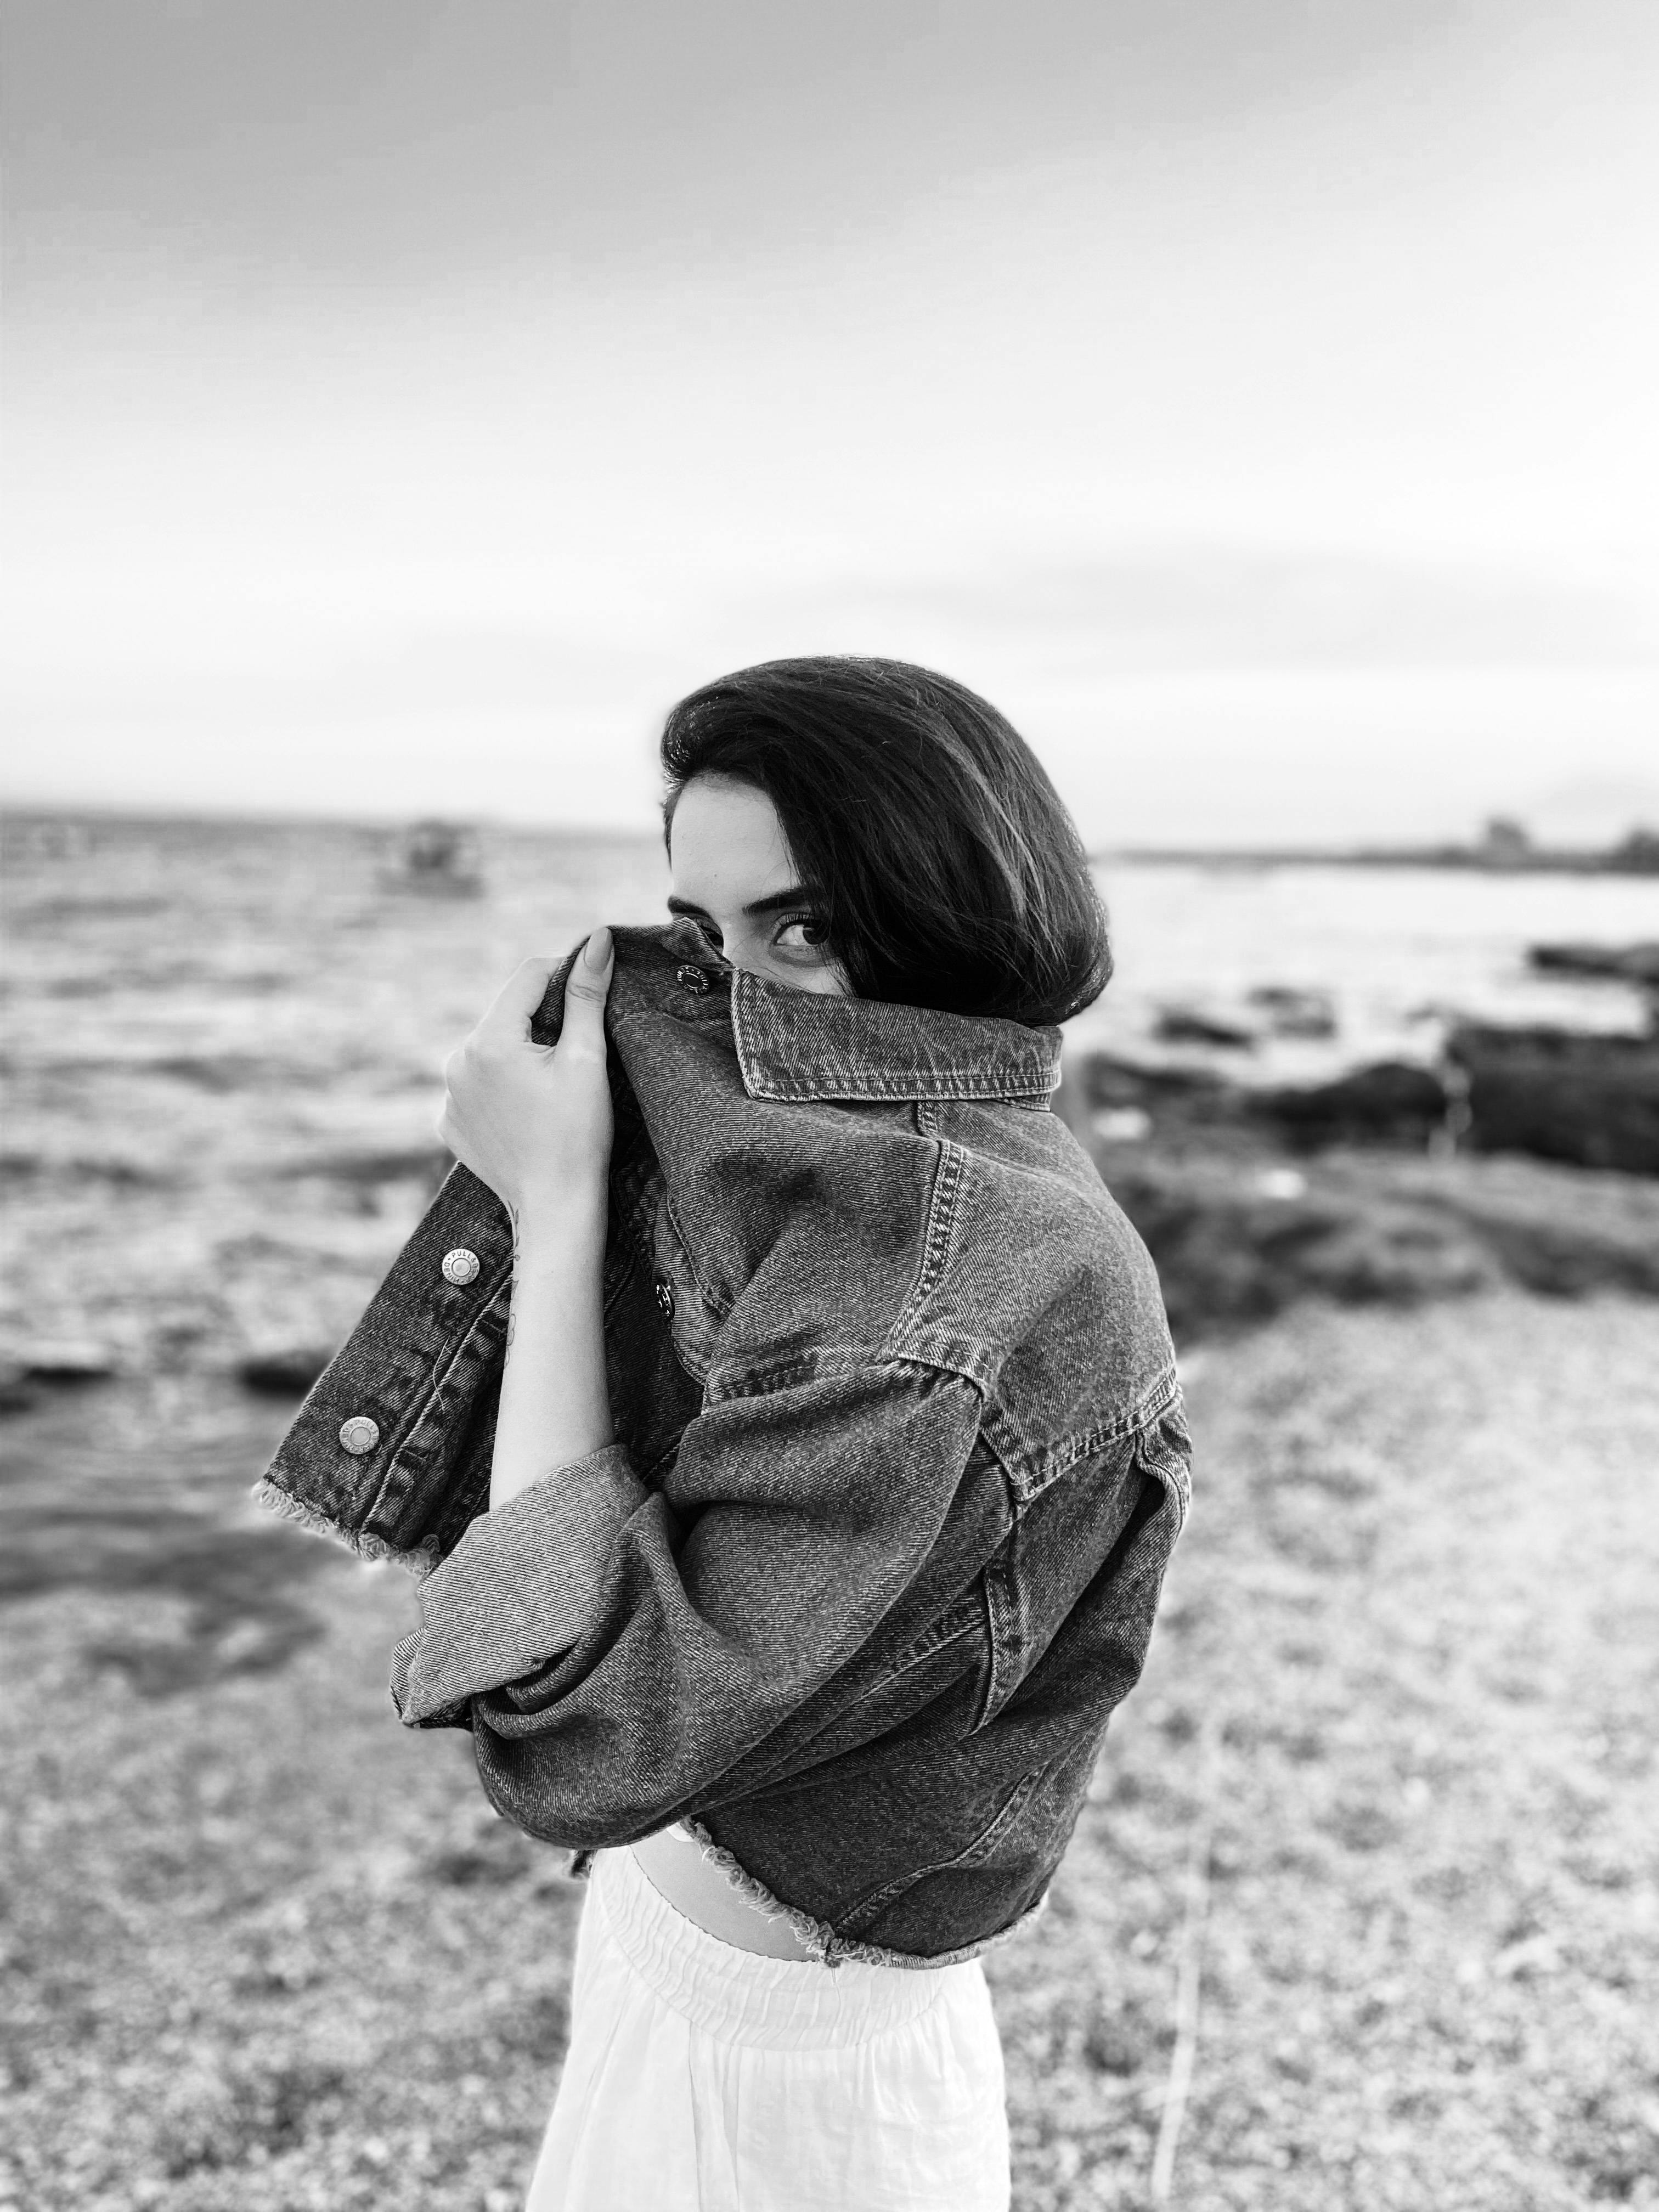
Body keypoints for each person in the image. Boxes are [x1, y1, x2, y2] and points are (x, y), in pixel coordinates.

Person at [257, 657, 1190, 2211]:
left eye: (804, 930)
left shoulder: (955, 1271)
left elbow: (586, 1730)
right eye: (698, 938)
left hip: (788, 2085)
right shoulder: (875, 1183)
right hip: (678, 1938)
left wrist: (556, 1206)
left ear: (957, 904)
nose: (730, 1004)